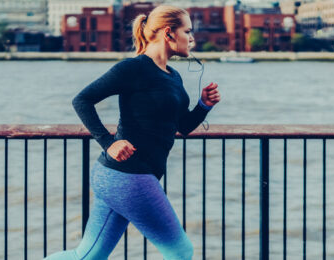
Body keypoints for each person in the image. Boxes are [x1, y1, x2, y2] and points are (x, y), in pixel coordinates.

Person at [45, 5, 221, 260]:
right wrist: (108, 143)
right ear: (169, 33)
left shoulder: (173, 76)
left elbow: (181, 127)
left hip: (121, 177)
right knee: (181, 251)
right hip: (128, 175)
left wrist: (204, 105)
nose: (192, 38)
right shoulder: (133, 68)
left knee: (88, 255)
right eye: (188, 31)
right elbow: (82, 100)